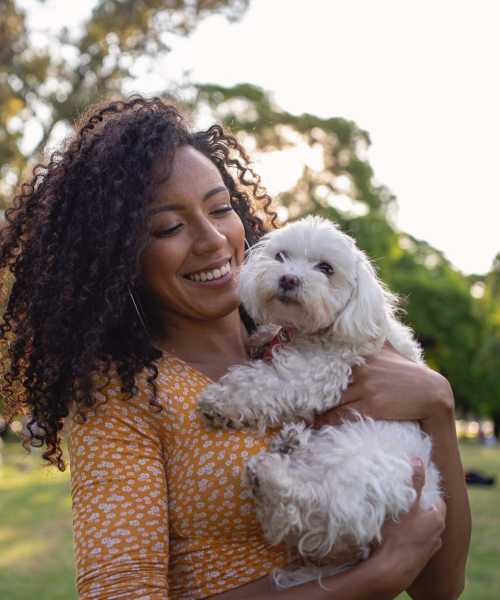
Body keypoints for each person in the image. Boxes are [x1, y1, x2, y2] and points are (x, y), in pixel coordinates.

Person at [0, 96, 470, 599]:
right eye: (169, 227)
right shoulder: (123, 398)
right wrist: (372, 577)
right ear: (119, 257)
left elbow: (441, 589)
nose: (212, 240)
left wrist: (437, 406)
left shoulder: (325, 345)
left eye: (221, 208)